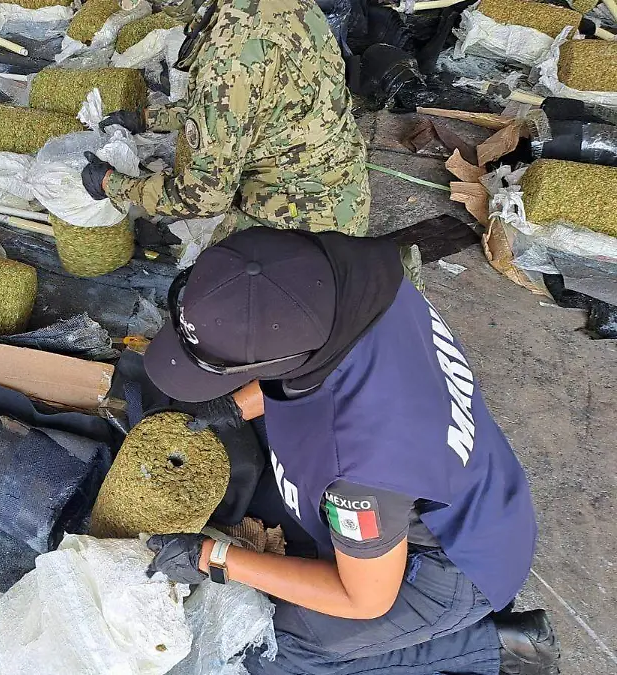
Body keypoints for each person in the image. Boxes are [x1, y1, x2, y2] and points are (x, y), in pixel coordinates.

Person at [141, 227, 559, 675]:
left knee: (268, 647)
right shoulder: (353, 275)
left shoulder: (360, 471)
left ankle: (496, 646)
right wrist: (235, 407)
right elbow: (323, 359)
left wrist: (212, 558)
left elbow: (362, 598)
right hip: (485, 484)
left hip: (458, 563)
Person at [80, 0, 369, 237]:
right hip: (343, 187)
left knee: (207, 284)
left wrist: (113, 184)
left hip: (299, 223)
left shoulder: (229, 56)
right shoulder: (270, 8)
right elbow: (248, 105)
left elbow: (207, 195)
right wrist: (148, 119)